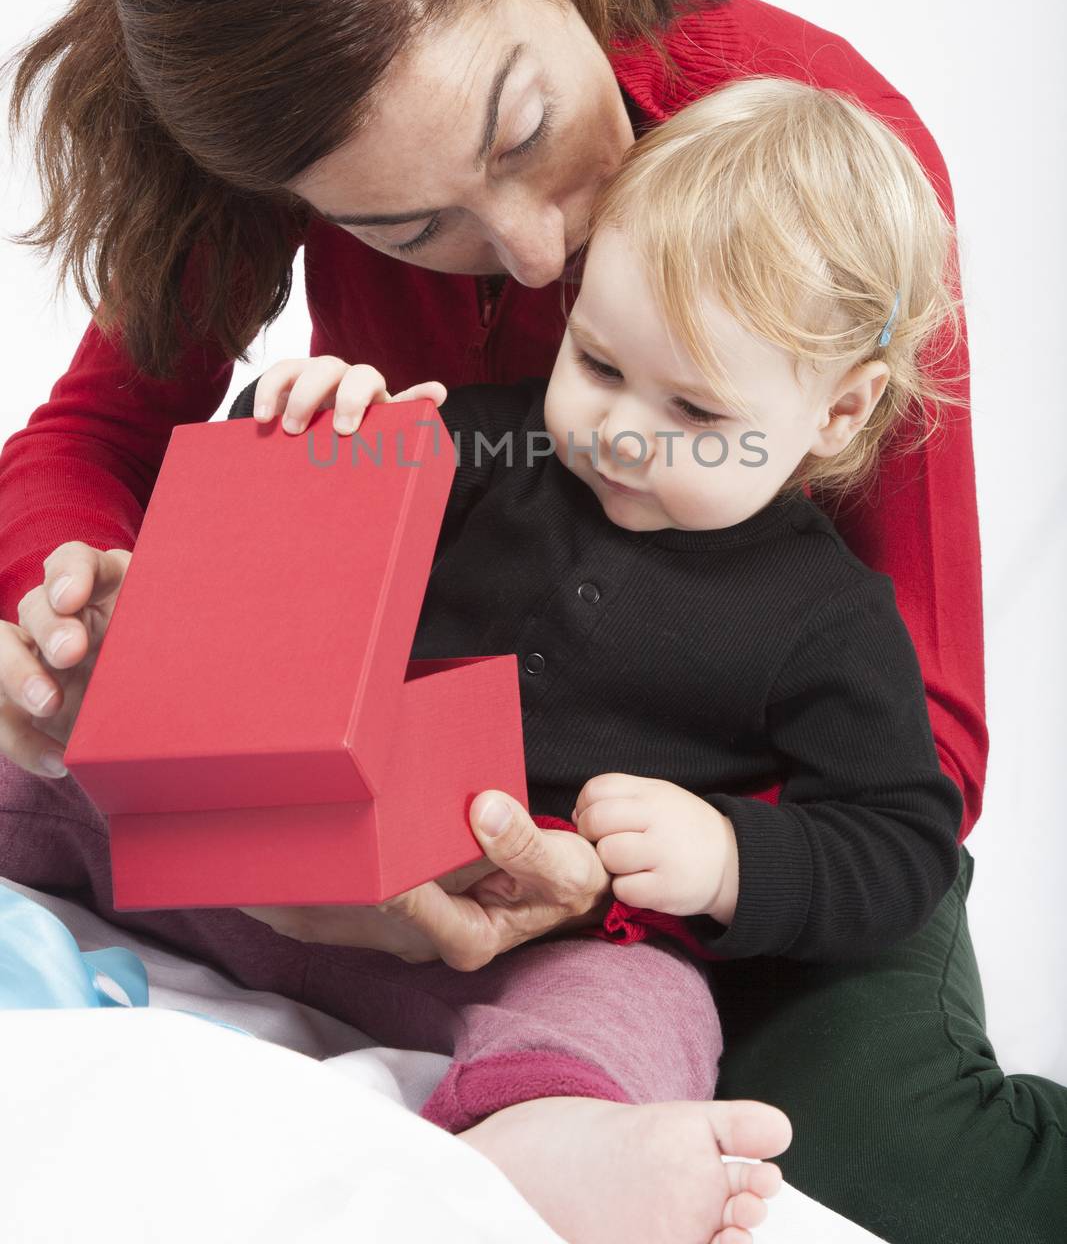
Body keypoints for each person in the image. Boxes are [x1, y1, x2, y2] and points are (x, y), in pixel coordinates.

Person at [0, 0, 1061, 1240]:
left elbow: (917, 754)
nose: (524, 250)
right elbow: (104, 439)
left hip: (713, 813)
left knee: (881, 1166)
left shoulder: (806, 156)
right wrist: (78, 622)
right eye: (403, 227)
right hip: (431, 792)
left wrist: (621, 883)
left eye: (519, 130)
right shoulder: (297, 181)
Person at [218, 75, 967, 1240]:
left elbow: (900, 837)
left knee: (642, 1011)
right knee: (82, 783)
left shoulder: (828, 617)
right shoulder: (498, 438)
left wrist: (729, 857)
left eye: (696, 413)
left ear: (834, 411)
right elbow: (260, 547)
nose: (620, 428)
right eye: (600, 364)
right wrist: (289, 419)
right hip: (317, 878)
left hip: (547, 946)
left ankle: (547, 1133)